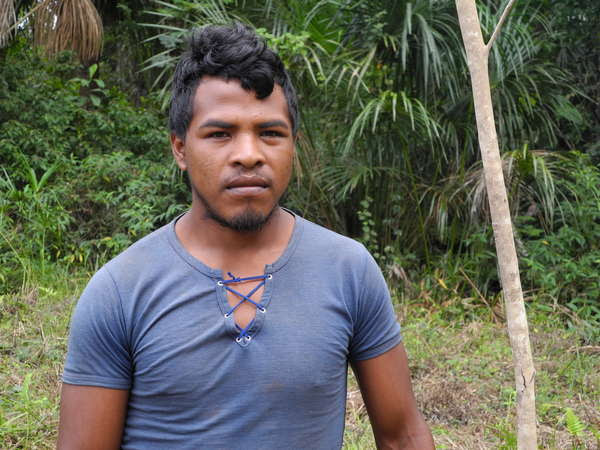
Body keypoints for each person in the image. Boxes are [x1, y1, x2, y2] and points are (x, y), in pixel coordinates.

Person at [57, 23, 434, 450]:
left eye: (270, 134)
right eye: (220, 134)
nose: (249, 155)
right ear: (180, 148)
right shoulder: (119, 292)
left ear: (293, 145)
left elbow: (403, 436)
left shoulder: (349, 270)